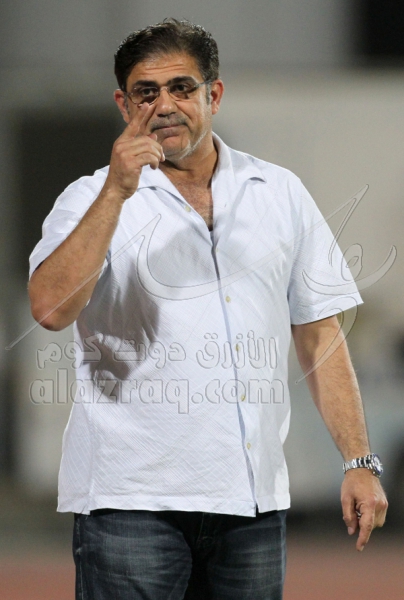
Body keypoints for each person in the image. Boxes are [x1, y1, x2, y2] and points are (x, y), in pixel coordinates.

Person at [28, 18, 387, 600]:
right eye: (146, 92)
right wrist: (117, 191)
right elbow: (49, 309)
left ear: (213, 95)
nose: (165, 105)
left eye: (181, 88)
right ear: (124, 105)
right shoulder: (89, 197)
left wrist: (359, 460)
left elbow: (320, 334)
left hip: (250, 504)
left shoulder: (279, 193)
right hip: (130, 504)